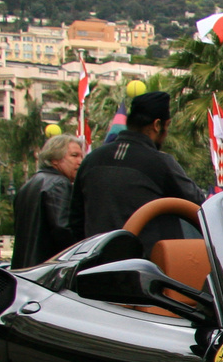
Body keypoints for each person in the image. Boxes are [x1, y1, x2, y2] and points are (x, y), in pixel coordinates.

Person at [70, 90, 205, 251]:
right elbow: (199, 205)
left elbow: (75, 220)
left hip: (95, 264)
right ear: (157, 125)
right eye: (167, 126)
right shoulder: (160, 163)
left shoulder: (91, 160)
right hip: (146, 269)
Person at [13, 134, 85, 267]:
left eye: (81, 156)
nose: (80, 161)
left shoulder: (27, 186)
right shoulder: (59, 184)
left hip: (24, 270)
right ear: (54, 159)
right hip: (46, 271)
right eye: (74, 155)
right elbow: (63, 230)